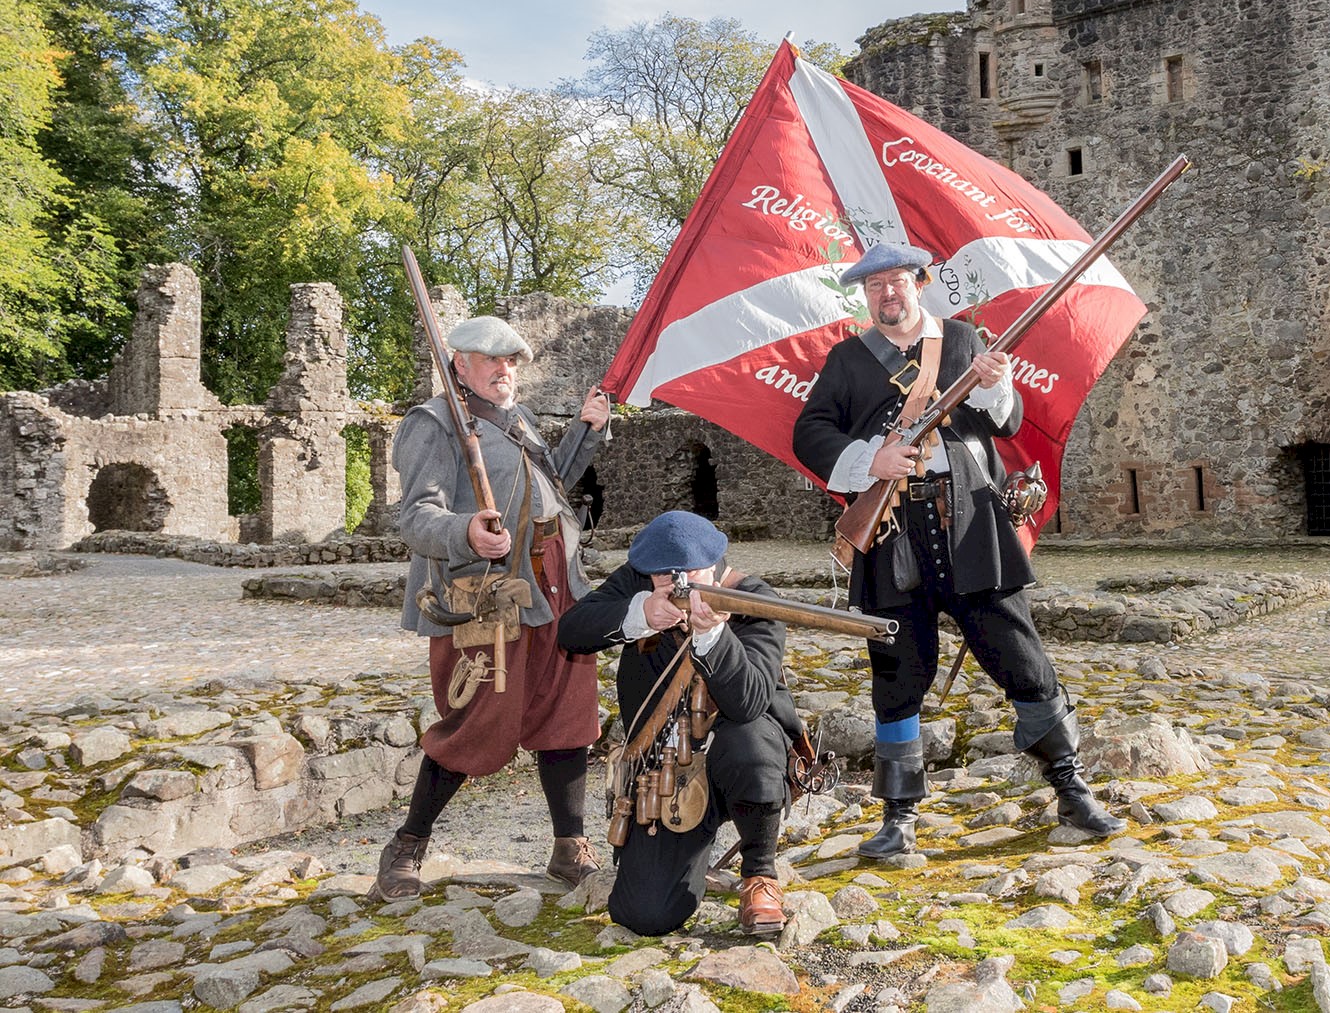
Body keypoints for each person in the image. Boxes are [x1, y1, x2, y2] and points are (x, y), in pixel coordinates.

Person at [791, 241, 1126, 858]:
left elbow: (1009, 422)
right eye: (874, 287)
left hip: (969, 520)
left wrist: (995, 387)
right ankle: (898, 817)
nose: (886, 294)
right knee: (896, 673)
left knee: (1020, 656)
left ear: (918, 283)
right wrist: (874, 459)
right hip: (893, 528)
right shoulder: (845, 361)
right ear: (866, 297)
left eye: (896, 282)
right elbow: (809, 433)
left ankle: (1071, 789)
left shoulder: (967, 343)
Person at [372, 315, 611, 901]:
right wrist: (466, 532)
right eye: (491, 361)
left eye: (510, 362)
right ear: (461, 365)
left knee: (566, 711)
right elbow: (415, 517)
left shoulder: (517, 420)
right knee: (477, 716)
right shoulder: (432, 424)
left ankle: (568, 846)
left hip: (555, 580)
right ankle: (406, 845)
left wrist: (587, 429)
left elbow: (552, 483)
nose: (504, 372)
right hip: (485, 587)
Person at [559, 512, 798, 937]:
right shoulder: (639, 583)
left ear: (714, 565)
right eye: (663, 579)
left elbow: (749, 701)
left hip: (735, 758)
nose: (678, 585)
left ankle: (760, 874)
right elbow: (573, 630)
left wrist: (713, 637)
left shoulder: (753, 598)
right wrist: (642, 613)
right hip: (664, 774)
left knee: (753, 739)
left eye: (689, 574)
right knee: (646, 914)